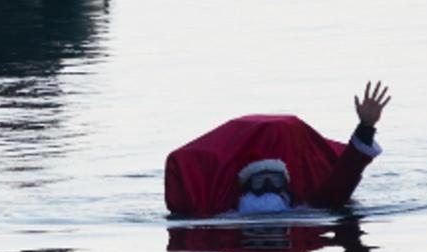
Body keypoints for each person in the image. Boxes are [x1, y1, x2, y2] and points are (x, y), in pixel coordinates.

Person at [163, 82, 393, 217]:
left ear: (287, 184)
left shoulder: (307, 207)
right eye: (259, 181)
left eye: (274, 180)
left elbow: (343, 178)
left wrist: (366, 127)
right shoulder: (225, 211)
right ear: (243, 186)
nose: (267, 189)